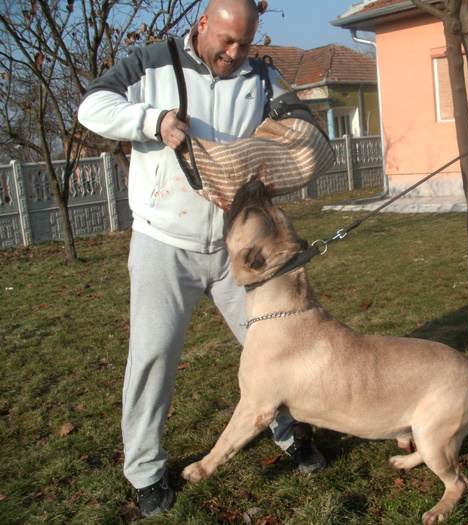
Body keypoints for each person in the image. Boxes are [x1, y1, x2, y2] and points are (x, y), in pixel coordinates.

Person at [78, 0, 326, 518]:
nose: (234, 53)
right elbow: (92, 106)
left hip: (239, 250)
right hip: (162, 243)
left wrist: (290, 145)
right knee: (152, 359)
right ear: (202, 25)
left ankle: (292, 435)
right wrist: (153, 121)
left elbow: (298, 117)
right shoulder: (149, 62)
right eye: (226, 41)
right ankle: (146, 472)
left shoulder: (261, 75)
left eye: (244, 44)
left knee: (280, 348)